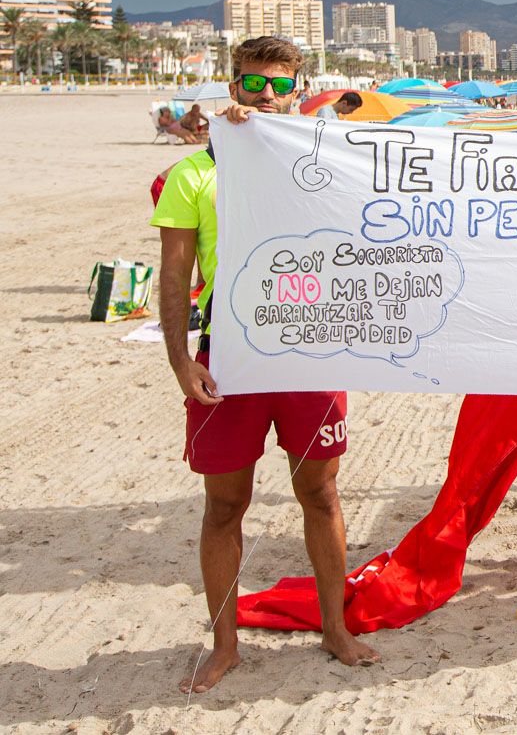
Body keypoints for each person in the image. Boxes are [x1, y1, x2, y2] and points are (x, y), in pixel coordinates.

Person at [152, 36, 380, 692]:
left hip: (309, 351)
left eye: (280, 85)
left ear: (297, 91)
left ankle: (335, 628)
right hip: (228, 355)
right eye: (253, 85)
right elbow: (174, 278)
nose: (267, 97)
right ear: (233, 89)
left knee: (321, 492)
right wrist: (178, 360)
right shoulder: (194, 175)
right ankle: (224, 645)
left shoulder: (327, 161)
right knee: (225, 506)